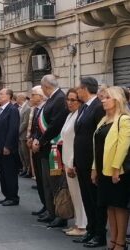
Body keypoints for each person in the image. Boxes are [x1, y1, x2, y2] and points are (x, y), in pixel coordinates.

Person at [92, 87, 130, 250]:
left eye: (107, 97)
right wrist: (94, 168)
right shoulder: (104, 120)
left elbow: (123, 146)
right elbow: (97, 147)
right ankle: (113, 239)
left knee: (119, 205)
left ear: (117, 100)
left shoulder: (124, 119)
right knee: (109, 205)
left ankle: (121, 242)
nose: (103, 100)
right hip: (102, 169)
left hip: (118, 171)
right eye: (103, 97)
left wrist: (115, 169)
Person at [73, 77, 106, 248]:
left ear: (85, 89)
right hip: (81, 162)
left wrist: (95, 166)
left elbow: (99, 138)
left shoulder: (98, 107)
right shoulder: (84, 108)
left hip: (92, 163)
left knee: (95, 200)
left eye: (78, 88)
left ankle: (100, 234)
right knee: (87, 198)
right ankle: (91, 230)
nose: (76, 91)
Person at [32, 75, 69, 228]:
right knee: (47, 183)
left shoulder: (59, 98)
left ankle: (60, 214)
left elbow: (55, 125)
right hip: (46, 148)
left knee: (55, 183)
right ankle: (50, 210)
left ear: (46, 86)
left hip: (53, 148)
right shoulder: (52, 99)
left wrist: (40, 140)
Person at [60, 88, 87, 236]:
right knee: (75, 195)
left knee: (80, 194)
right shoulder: (70, 115)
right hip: (67, 159)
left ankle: (83, 226)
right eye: (68, 100)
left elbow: (78, 141)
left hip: (73, 161)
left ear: (80, 101)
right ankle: (78, 223)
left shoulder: (79, 116)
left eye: (73, 100)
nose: (69, 103)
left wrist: (71, 163)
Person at [0, 88, 20, 206]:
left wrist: (8, 146)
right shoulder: (1, 110)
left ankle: (13, 197)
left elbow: (13, 129)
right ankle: (7, 195)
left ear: (9, 96)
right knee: (2, 173)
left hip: (7, 147)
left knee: (9, 173)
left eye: (1, 94)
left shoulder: (12, 110)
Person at [28, 86, 47, 217]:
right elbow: (35, 128)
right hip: (34, 146)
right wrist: (31, 138)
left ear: (41, 96)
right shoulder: (36, 110)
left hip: (42, 148)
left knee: (45, 181)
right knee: (39, 180)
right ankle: (44, 205)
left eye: (33, 94)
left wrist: (37, 140)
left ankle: (48, 206)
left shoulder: (44, 109)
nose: (31, 96)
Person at [17, 93, 31, 177]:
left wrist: (18, 131)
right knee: (21, 153)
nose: (16, 99)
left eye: (18, 97)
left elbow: (25, 123)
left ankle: (28, 170)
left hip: (23, 134)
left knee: (26, 154)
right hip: (19, 135)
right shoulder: (20, 108)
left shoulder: (27, 108)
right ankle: (24, 168)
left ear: (21, 98)